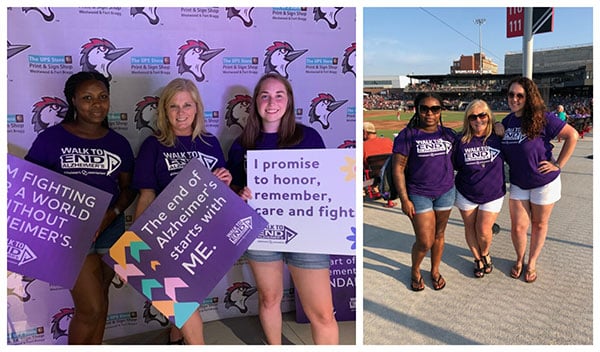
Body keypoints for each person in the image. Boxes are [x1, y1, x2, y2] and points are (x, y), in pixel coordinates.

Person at [25, 71, 137, 344]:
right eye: (87, 98)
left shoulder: (117, 143)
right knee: (91, 307)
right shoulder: (51, 139)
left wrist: (110, 215)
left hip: (110, 228)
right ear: (73, 101)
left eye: (102, 97)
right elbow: (30, 184)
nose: (96, 104)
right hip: (70, 234)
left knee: (102, 298)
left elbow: (128, 188)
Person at [227, 73, 339, 344]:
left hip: (307, 234)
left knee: (323, 314)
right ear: (255, 102)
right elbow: (232, 193)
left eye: (279, 95)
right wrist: (239, 193)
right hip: (261, 234)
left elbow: (326, 185)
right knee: (269, 298)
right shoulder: (242, 144)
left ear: (289, 101)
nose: (272, 101)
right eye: (264, 95)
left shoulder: (309, 137)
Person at [132, 78, 232, 344]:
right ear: (164, 111)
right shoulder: (153, 146)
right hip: (167, 236)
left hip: (203, 236)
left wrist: (225, 183)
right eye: (174, 106)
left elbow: (219, 195)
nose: (181, 112)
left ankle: (175, 339)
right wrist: (138, 241)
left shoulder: (210, 143)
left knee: (188, 300)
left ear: (197, 107)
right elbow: (146, 195)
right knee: (184, 303)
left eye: (187, 105)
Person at [500, 77, 578, 283]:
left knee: (539, 224)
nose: (514, 99)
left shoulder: (542, 117)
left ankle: (532, 261)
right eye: (511, 94)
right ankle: (519, 259)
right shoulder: (507, 122)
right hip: (518, 182)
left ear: (528, 97)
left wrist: (558, 164)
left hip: (544, 182)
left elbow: (572, 135)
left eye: (520, 95)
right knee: (518, 227)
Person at [391, 92, 457, 291]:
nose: (430, 113)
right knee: (424, 240)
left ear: (440, 111)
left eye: (435, 109)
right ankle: (415, 270)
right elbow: (398, 168)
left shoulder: (448, 135)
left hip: (445, 191)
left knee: (439, 234)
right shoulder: (408, 135)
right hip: (418, 194)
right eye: (425, 108)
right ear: (417, 110)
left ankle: (435, 270)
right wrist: (404, 199)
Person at [453, 99, 505, 278]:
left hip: (493, 192)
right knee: (470, 227)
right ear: (468, 119)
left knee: (483, 229)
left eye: (482, 115)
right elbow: (454, 165)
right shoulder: (460, 140)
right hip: (466, 192)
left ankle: (485, 253)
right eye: (473, 116)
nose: (478, 120)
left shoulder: (499, 136)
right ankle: (477, 259)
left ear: (489, 116)